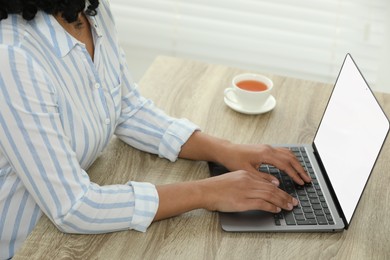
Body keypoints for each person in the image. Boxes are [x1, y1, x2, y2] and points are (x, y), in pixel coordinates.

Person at [0, 0, 311, 258]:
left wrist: (225, 150)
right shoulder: (13, 57)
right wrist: (208, 192)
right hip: (29, 246)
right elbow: (75, 207)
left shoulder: (91, 12)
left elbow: (128, 108)